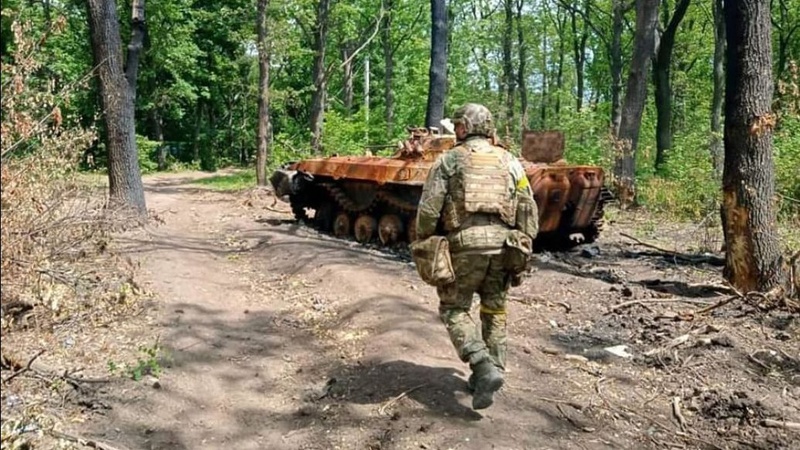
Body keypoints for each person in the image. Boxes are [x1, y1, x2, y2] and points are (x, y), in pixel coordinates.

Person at [415, 103, 539, 410]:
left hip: (465, 246)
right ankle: (492, 374)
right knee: (494, 311)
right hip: (505, 247)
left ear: (462, 128)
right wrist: (524, 242)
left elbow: (430, 207)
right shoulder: (510, 161)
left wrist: (424, 237)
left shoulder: (449, 160)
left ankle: (482, 364)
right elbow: (527, 206)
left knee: (454, 308)